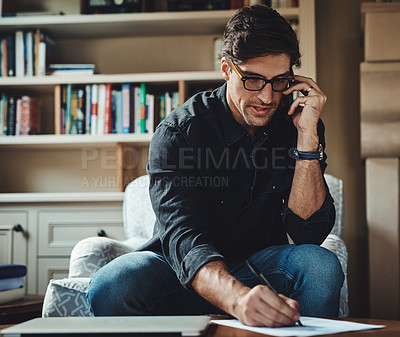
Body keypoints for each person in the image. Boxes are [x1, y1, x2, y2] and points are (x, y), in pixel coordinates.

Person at [88, 4, 344, 327]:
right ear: (226, 69)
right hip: (181, 273)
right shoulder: (178, 134)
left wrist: (307, 139)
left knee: (322, 267)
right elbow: (185, 240)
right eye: (253, 80)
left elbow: (309, 232)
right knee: (111, 286)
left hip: (257, 269)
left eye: (279, 81)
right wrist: (236, 299)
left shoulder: (298, 122)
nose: (267, 97)